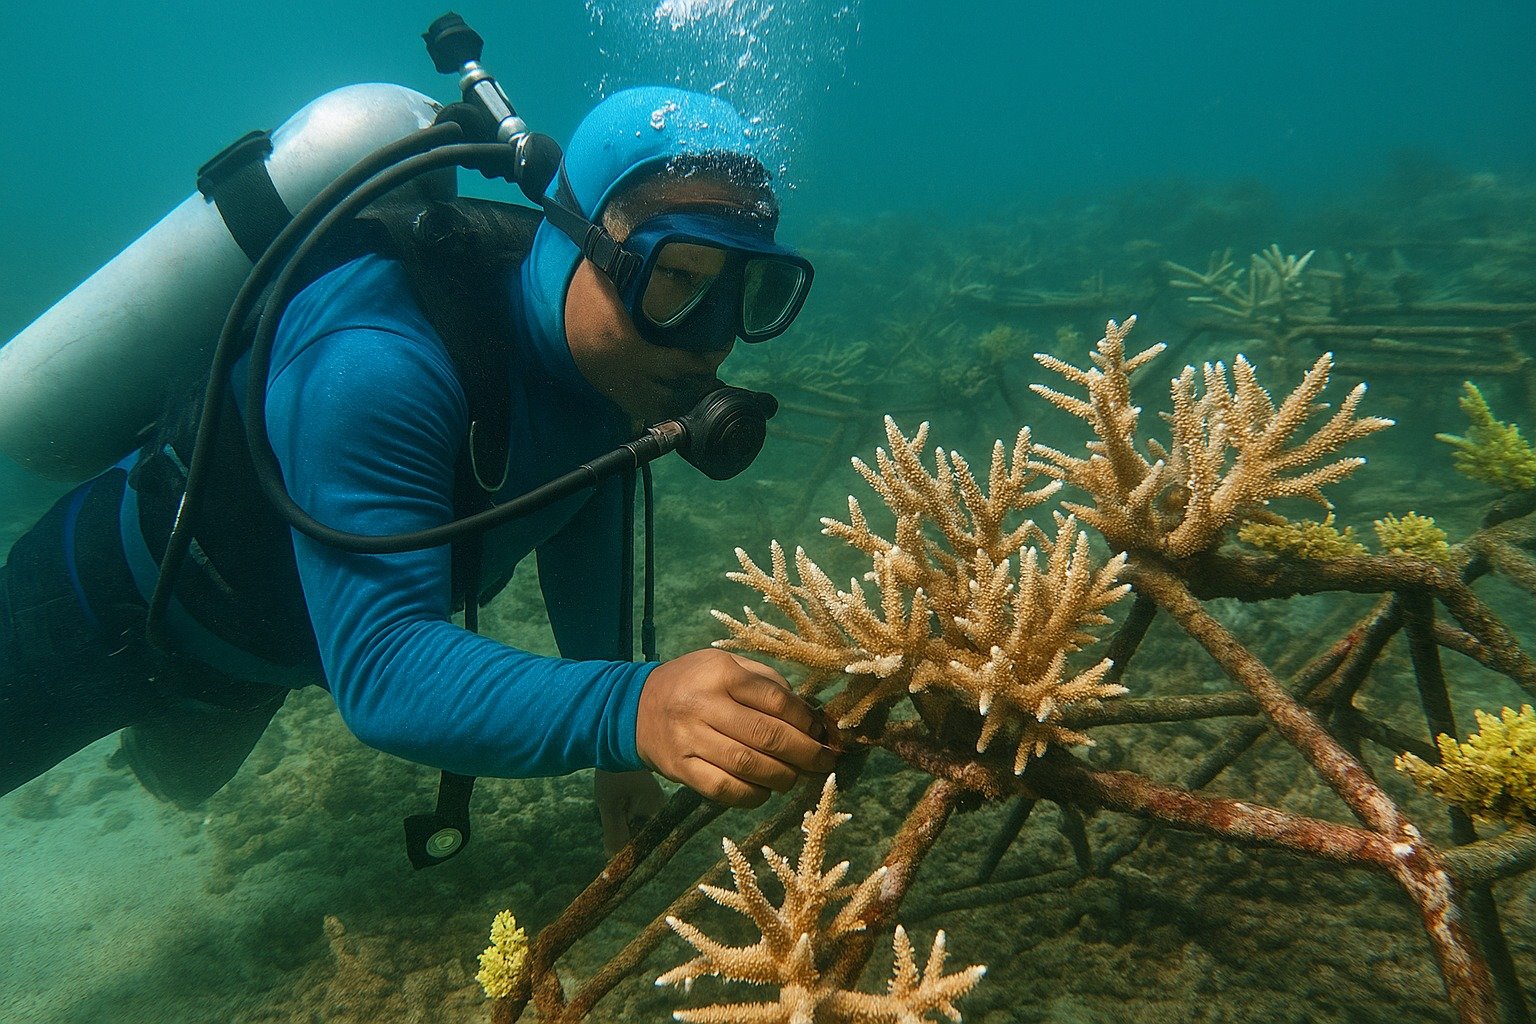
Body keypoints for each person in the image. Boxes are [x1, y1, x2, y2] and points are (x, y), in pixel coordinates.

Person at [0, 86, 836, 856]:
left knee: (178, 782)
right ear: (581, 241)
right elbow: (383, 667)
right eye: (677, 279)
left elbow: (583, 513)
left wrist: (617, 753)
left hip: (260, 665)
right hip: (98, 605)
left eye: (747, 293)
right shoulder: (376, 364)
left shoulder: (606, 371)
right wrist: (633, 709)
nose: (709, 338)